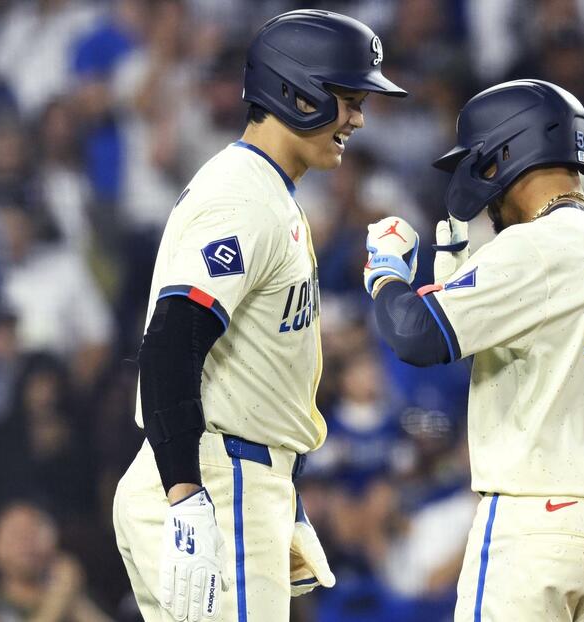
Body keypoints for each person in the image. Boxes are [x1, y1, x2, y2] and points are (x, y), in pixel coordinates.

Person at [112, 10, 406, 622]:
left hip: (233, 473)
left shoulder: (269, 191)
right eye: (347, 98)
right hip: (216, 477)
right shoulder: (243, 196)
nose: (357, 117)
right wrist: (189, 494)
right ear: (295, 93)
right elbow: (171, 341)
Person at [362, 79, 584, 621]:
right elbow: (493, 337)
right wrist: (454, 246)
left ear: (502, 158)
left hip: (539, 524)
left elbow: (417, 335)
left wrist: (384, 273)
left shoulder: (534, 248)